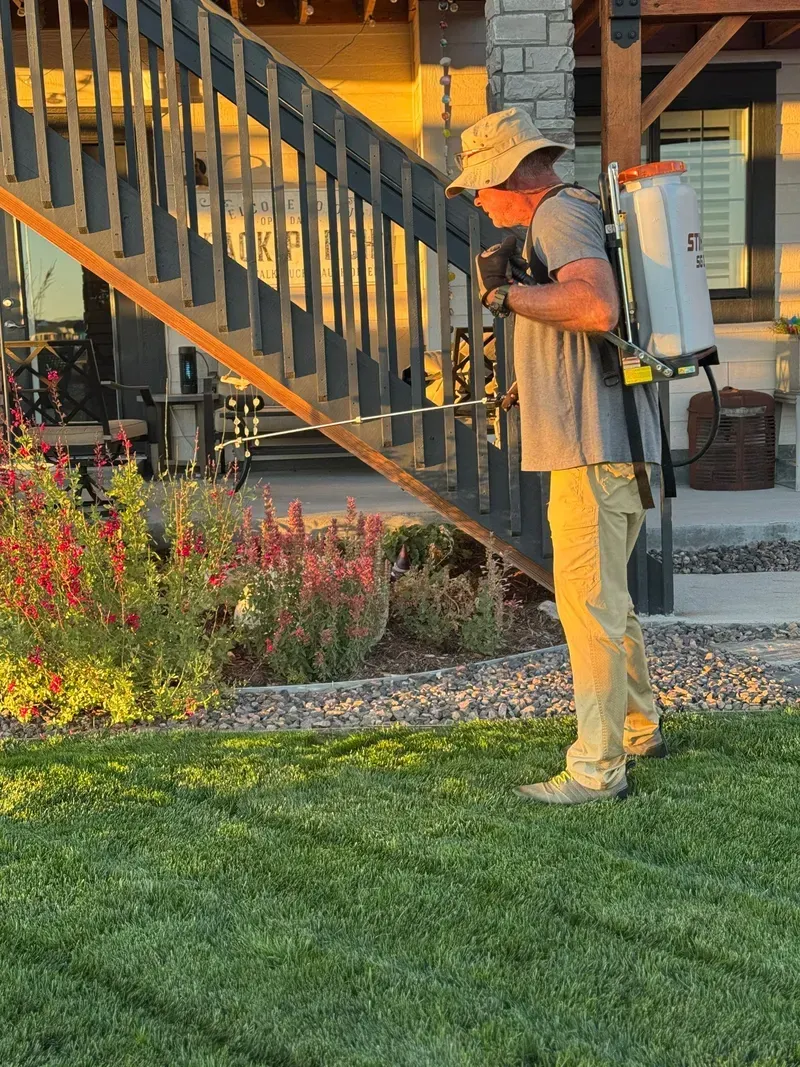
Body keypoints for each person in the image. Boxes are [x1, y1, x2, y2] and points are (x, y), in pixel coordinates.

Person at [446, 106, 667, 806]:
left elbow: (595, 308)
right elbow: (585, 330)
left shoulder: (555, 219)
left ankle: (596, 769)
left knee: (587, 609)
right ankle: (640, 727)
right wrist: (527, 379)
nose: (477, 200)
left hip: (589, 451)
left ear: (511, 175)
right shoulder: (574, 212)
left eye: (479, 186)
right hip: (616, 443)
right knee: (612, 600)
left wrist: (505, 293)